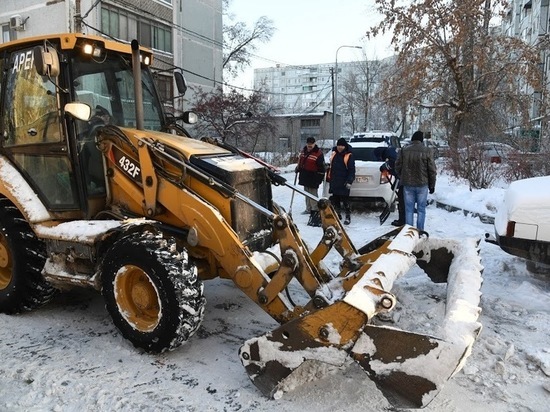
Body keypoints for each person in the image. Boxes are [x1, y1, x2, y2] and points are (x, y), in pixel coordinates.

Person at [395, 131, 437, 231]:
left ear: (412, 139)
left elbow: (397, 166)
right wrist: (432, 185)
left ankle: (409, 232)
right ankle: (420, 231)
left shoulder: (404, 150)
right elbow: (432, 170)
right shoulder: (427, 151)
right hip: (422, 184)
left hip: (408, 184)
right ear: (421, 140)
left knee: (408, 209)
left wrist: (403, 177)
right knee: (421, 209)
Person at [296, 137, 326, 226]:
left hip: (314, 176)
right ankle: (308, 208)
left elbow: (322, 168)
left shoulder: (318, 153)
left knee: (313, 193)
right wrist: (298, 168)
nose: (309, 146)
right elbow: (301, 162)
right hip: (305, 175)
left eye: (311, 144)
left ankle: (315, 210)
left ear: (314, 144)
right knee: (306, 192)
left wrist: (319, 179)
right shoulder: (303, 151)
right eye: (308, 144)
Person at [326, 137, 355, 225]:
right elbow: (331, 165)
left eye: (342, 146)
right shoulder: (334, 153)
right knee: (335, 199)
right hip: (334, 181)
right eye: (338, 145)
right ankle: (338, 215)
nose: (340, 147)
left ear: (345, 146)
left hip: (344, 181)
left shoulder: (348, 155)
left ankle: (348, 216)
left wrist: (349, 181)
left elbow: (351, 170)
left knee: (345, 200)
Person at [374, 146, 405, 226]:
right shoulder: (391, 150)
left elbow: (394, 163)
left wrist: (386, 167)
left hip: (404, 176)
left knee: (402, 199)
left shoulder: (390, 153)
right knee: (402, 197)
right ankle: (403, 219)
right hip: (405, 175)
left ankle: (402, 221)